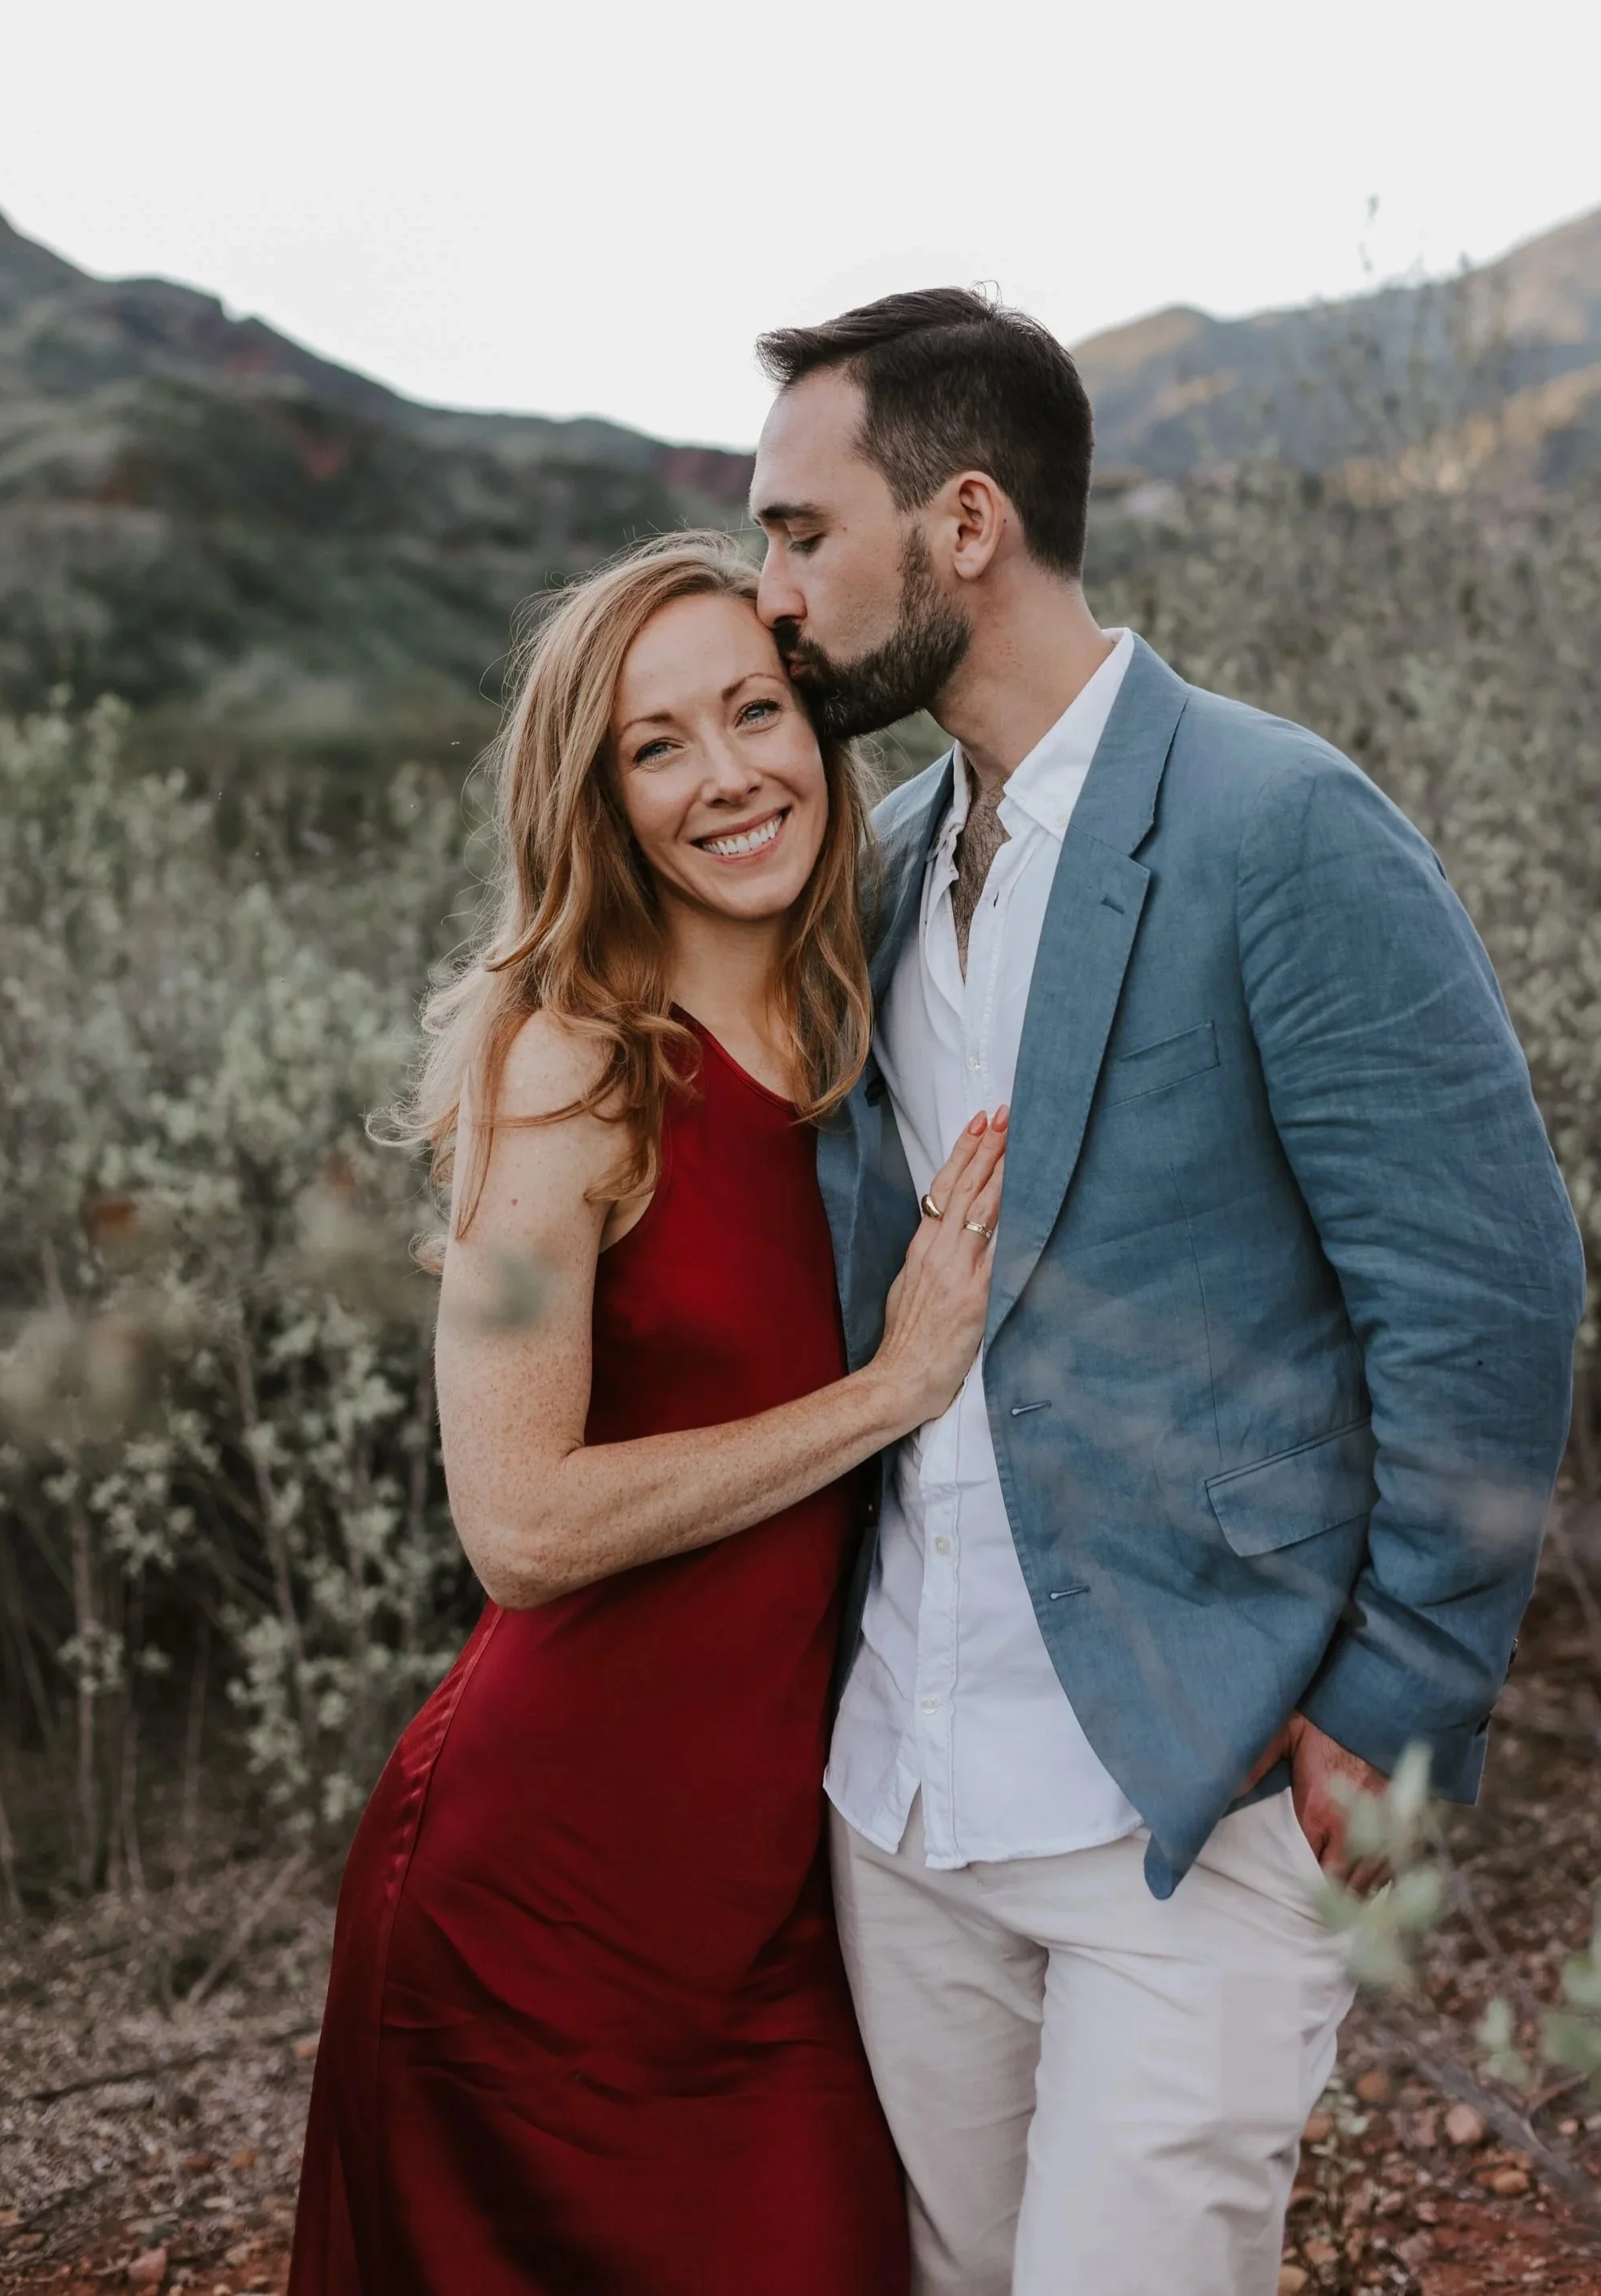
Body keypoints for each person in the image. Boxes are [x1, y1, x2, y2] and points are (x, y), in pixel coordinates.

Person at [747, 291, 1587, 2296]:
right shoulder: (867, 871)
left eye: (796, 531)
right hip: (902, 1797)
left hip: (1185, 1800)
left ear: (963, 523)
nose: (766, 591)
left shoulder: (1276, 823)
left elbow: (1488, 1289)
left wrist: (1387, 1707)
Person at [289, 534, 1007, 2296]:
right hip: (541, 1900)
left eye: (754, 710)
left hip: (777, 1890)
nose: (726, 775)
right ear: (598, 798)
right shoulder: (571, 1062)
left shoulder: (874, 1003)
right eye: (654, 744)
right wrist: (887, 1392)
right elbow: (518, 1524)